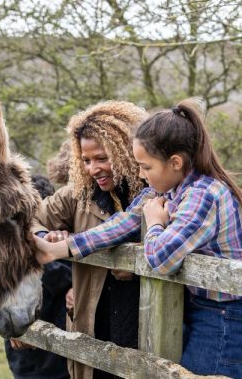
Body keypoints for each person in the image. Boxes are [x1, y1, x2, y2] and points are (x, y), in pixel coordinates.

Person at [34, 98, 242, 378]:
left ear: (175, 162)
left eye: (146, 167)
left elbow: (162, 259)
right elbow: (122, 224)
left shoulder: (203, 195)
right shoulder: (169, 190)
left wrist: (155, 224)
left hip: (224, 315)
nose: (141, 174)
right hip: (201, 308)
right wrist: (58, 249)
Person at [32, 101, 147, 379]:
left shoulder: (155, 192)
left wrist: (136, 269)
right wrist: (45, 236)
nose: (94, 169)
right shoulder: (77, 195)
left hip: (142, 330)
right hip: (92, 333)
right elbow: (29, 219)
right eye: (86, 160)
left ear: (125, 151)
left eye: (102, 158)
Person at [5, 174, 71, 379]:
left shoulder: (59, 242)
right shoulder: (7, 251)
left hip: (60, 357)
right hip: (25, 358)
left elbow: (67, 279)